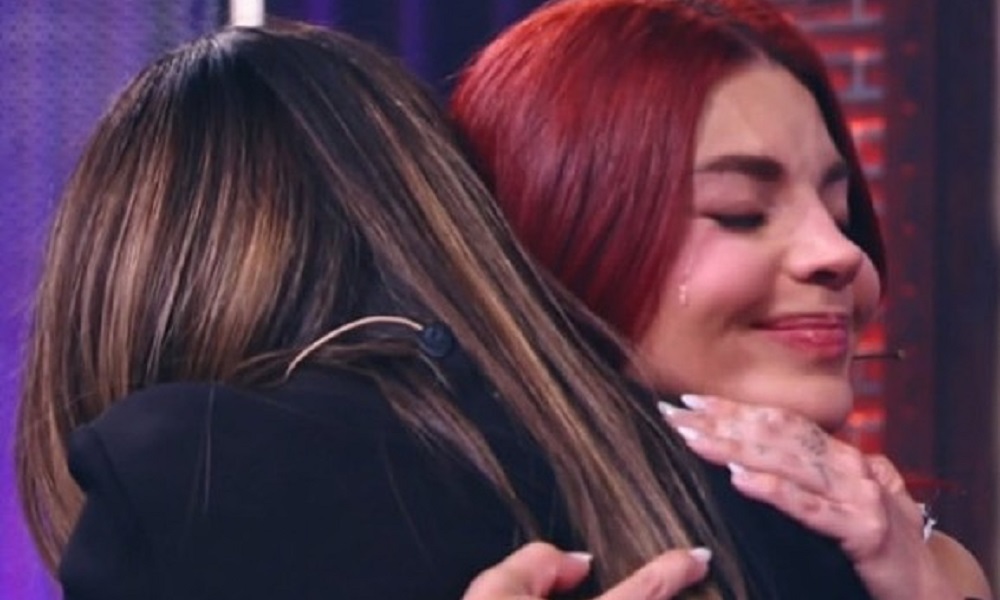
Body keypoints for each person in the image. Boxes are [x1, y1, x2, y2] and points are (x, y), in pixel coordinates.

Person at [13, 19, 803, 600]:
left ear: (123, 285)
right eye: (741, 212)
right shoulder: (730, 471)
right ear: (442, 205)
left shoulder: (182, 478)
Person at [449, 0, 992, 599]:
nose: (839, 252)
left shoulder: (927, 563)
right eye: (742, 212)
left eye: (840, 214)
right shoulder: (429, 531)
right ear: (558, 237)